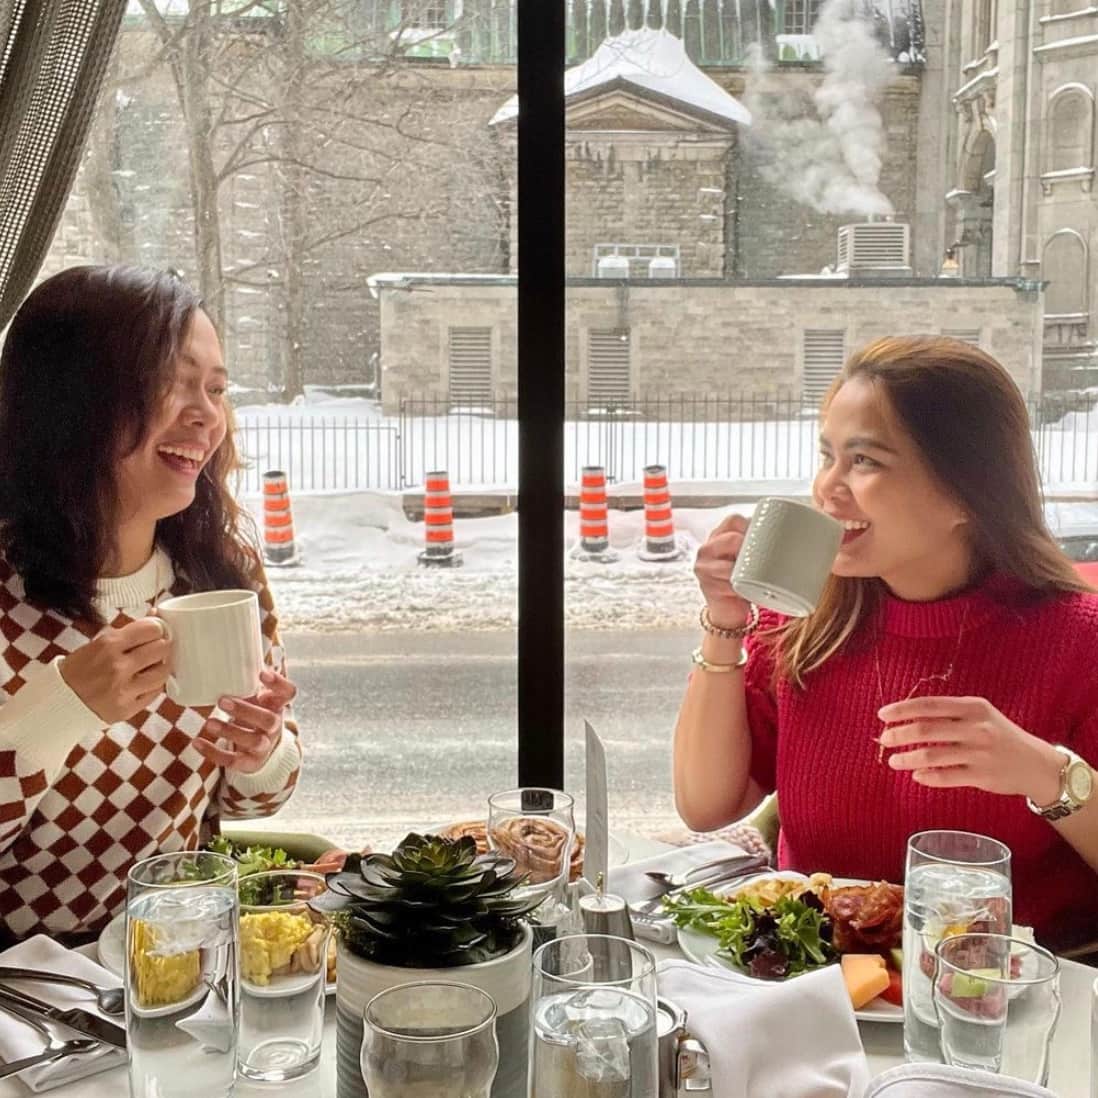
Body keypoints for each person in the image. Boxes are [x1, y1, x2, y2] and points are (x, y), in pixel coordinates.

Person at [674, 336, 1098, 953]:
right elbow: (705, 806)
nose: (828, 488)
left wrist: (1047, 774)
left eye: (865, 461)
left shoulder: (1079, 639)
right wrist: (723, 619)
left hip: (1003, 1007)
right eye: (828, 455)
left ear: (965, 491)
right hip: (813, 987)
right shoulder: (800, 618)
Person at [0, 266, 302, 945]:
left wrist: (261, 751)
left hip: (183, 965)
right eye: (173, 381)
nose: (206, 416)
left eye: (217, 389)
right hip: (26, 1000)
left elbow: (254, 800)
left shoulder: (221, 573)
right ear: (72, 399)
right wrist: (58, 709)